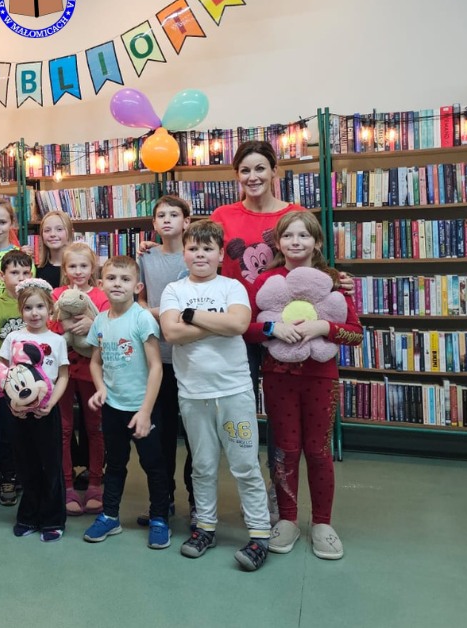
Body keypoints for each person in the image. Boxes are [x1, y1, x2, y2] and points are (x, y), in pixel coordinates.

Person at [245, 211, 362, 560]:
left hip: (320, 378)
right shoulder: (267, 281)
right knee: (285, 449)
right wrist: (272, 329)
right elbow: (246, 328)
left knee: (318, 450)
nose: (295, 242)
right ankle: (288, 519)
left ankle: (322, 523)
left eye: (304, 235)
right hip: (278, 377)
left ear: (317, 242)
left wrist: (323, 327)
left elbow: (355, 333)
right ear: (278, 244)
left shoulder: (334, 281)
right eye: (288, 236)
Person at [160, 221, 272, 572]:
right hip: (194, 394)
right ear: (184, 253)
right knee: (203, 465)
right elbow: (171, 333)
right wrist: (215, 324)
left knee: (245, 464)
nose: (200, 255)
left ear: (220, 254)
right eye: (193, 248)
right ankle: (205, 527)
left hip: (234, 392)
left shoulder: (232, 287)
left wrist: (192, 317)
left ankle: (260, 534)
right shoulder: (173, 290)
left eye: (207, 249)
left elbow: (238, 325)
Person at [82, 256, 169, 551]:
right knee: (115, 464)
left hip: (142, 408)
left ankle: (159, 518)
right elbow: (95, 362)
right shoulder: (100, 320)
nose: (117, 284)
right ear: (100, 284)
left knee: (153, 465)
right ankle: (110, 516)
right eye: (111, 278)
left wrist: (145, 411)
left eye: (125, 279)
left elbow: (156, 367)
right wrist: (101, 388)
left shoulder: (142, 318)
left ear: (137, 286)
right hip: (113, 408)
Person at [209, 140, 305, 396]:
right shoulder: (222, 215)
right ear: (237, 175)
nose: (253, 177)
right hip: (238, 325)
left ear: (274, 170)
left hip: (287, 323)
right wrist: (159, 246)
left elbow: (313, 264)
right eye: (245, 170)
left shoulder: (295, 215)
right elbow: (199, 252)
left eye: (260, 168)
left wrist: (337, 279)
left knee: (284, 405)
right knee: (240, 401)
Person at [137, 196, 196, 530]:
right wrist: (147, 310)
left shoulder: (194, 255)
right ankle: (163, 499)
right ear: (154, 223)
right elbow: (140, 297)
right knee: (160, 435)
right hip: (156, 358)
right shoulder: (146, 257)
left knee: (195, 435)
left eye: (175, 214)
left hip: (189, 356)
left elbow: (191, 305)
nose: (168, 220)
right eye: (161, 215)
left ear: (187, 222)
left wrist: (154, 312)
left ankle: (197, 501)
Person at [0, 278, 70, 542]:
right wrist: (12, 403)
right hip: (19, 414)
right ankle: (28, 516)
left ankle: (53, 520)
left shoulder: (57, 341)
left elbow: (63, 376)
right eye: (28, 308)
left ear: (50, 309)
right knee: (25, 466)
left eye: (40, 307)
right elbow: (2, 372)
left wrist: (51, 404)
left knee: (50, 465)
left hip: (46, 413)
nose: (34, 313)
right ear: (20, 310)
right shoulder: (14, 338)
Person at [50, 242, 108, 517]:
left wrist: (92, 325)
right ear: (65, 268)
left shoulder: (101, 296)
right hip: (62, 371)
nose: (78, 271)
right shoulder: (58, 294)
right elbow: (49, 325)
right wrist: (64, 326)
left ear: (93, 267)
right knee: (63, 428)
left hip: (91, 370)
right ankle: (67, 484)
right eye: (72, 266)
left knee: (95, 427)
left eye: (84, 265)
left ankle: (95, 482)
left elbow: (109, 326)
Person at [0, 249, 34, 505]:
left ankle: (28, 476)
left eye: (26, 272)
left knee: (29, 433)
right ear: (2, 276)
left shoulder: (36, 304)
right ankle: (8, 478)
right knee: (5, 433)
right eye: (14, 272)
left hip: (34, 384)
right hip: (5, 384)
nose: (21, 277)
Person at [35, 210, 74, 288]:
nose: (52, 234)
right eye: (47, 230)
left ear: (70, 233)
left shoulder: (78, 268)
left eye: (59, 229)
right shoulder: (38, 270)